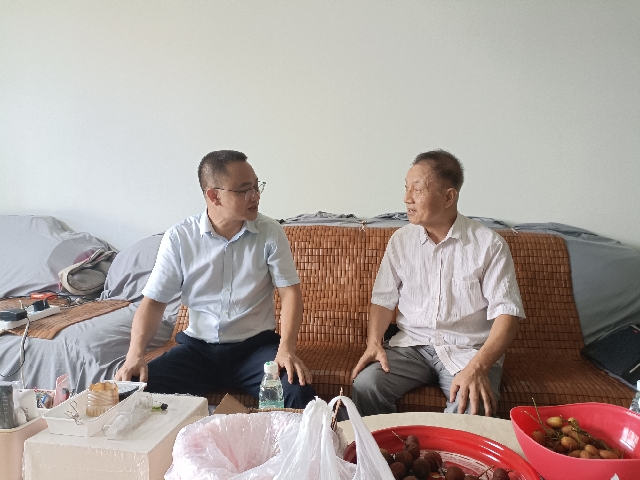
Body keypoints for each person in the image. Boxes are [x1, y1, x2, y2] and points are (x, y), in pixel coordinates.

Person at [115, 150, 316, 408]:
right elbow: (153, 302)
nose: (255, 196)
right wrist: (135, 354)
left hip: (255, 350)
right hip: (197, 352)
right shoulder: (180, 238)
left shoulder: (270, 232)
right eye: (244, 190)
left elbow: (290, 293)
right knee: (131, 391)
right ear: (214, 196)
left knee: (298, 392)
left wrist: (286, 349)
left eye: (256, 187)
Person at [351, 150, 525, 417]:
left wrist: (478, 367)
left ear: (448, 197)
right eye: (406, 188)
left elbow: (507, 315)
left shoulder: (488, 245)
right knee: (366, 385)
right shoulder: (401, 240)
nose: (407, 198)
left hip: (469, 351)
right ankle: (384, 445)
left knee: (472, 404)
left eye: (417, 189)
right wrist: (373, 343)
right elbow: (383, 300)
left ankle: (445, 448)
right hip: (411, 347)